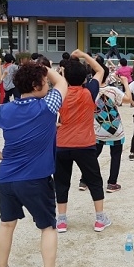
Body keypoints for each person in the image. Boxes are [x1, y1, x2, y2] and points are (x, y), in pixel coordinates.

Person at [0, 61, 68, 267]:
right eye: (44, 82)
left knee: (6, 224)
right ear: (37, 85)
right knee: (47, 226)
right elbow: (62, 81)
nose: (48, 84)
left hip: (6, 177)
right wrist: (41, 67)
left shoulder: (5, 109)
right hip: (36, 179)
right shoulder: (48, 105)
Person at [55, 50, 112, 234]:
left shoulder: (59, 94)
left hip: (62, 143)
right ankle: (99, 219)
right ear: (84, 77)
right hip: (85, 144)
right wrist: (84, 55)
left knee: (61, 181)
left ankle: (61, 220)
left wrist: (62, 75)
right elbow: (100, 71)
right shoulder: (89, 92)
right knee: (94, 180)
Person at [91, 64, 133, 193]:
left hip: (97, 129)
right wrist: (125, 83)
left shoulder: (90, 90)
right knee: (115, 155)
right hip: (114, 129)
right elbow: (128, 100)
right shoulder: (112, 90)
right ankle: (112, 183)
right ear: (107, 75)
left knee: (92, 156)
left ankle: (85, 180)